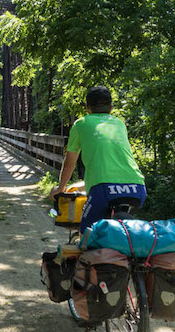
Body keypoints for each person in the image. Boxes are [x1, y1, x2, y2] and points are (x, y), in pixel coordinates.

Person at [50, 86, 146, 234]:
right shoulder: (119, 123)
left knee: (87, 232)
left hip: (104, 190)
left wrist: (60, 188)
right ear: (111, 108)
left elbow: (70, 163)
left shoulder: (81, 124)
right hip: (138, 188)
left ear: (87, 108)